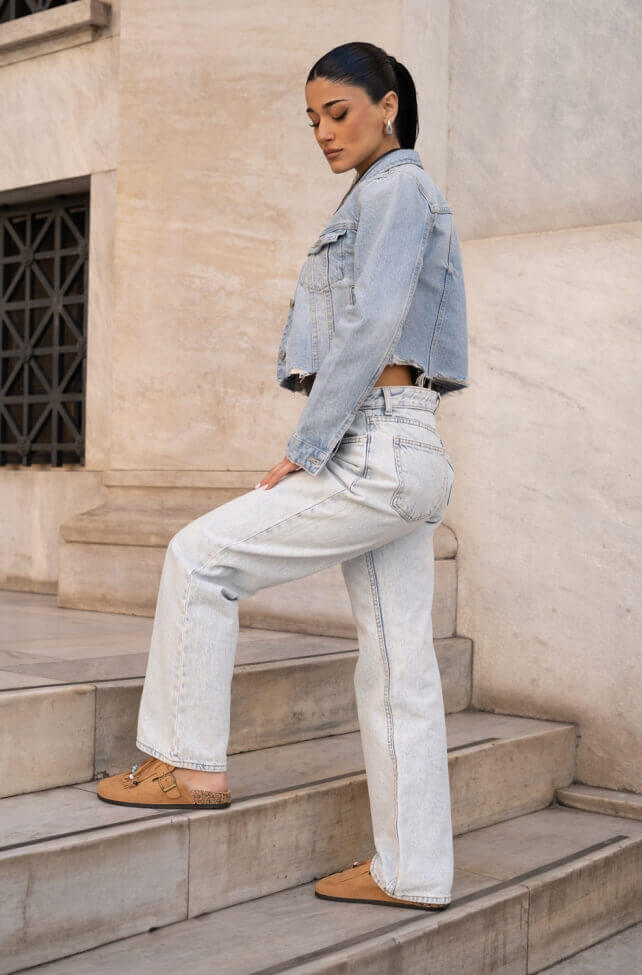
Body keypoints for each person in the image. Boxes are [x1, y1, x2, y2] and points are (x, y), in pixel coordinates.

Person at [97, 41, 469, 911]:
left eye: (338, 113)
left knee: (200, 557)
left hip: (375, 446)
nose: (323, 132)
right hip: (407, 448)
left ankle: (187, 762)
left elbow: (373, 321)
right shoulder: (389, 193)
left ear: (387, 106)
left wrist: (309, 445)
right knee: (398, 666)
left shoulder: (397, 189)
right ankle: (413, 870)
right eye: (312, 120)